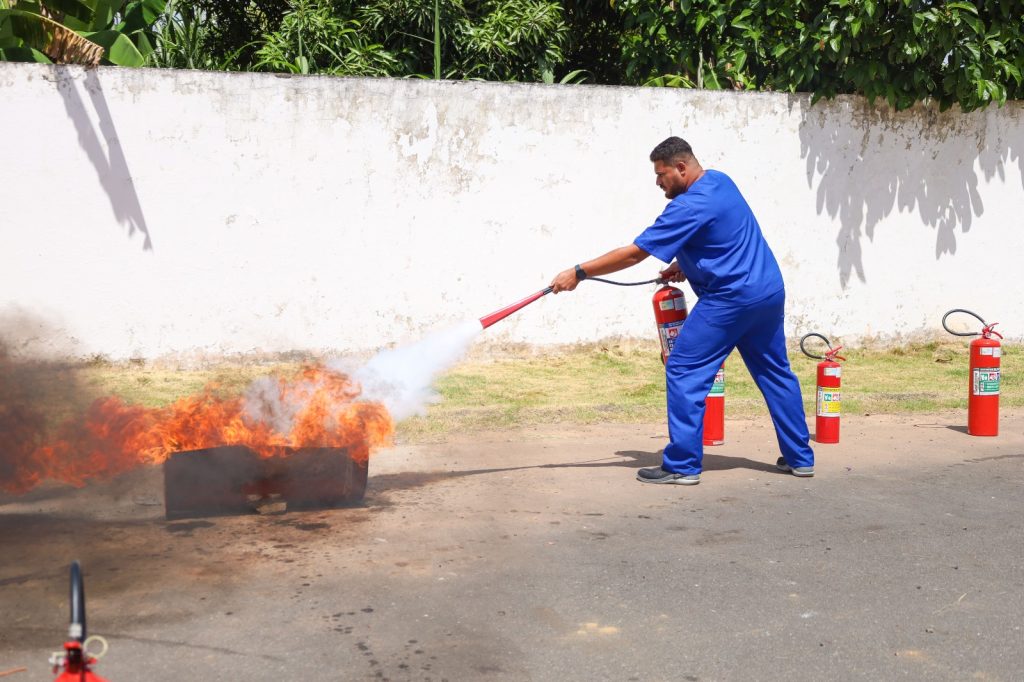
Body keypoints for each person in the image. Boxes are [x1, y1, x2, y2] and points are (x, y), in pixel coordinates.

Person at [549, 136, 815, 485]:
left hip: (729, 300)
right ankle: (800, 458)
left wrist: (579, 272)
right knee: (775, 372)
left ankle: (682, 465)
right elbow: (724, 237)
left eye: (661, 175)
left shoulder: (686, 207)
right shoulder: (720, 181)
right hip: (767, 291)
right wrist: (687, 265)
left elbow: (635, 253)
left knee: (684, 368)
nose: (658, 182)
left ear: (681, 168)